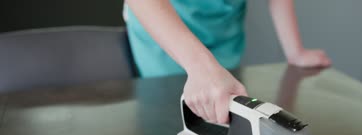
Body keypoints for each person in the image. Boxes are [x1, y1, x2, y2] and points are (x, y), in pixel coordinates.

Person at [124, 0, 331, 124]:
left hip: (224, 30)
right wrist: (201, 68)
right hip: (169, 29)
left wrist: (295, 51)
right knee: (171, 121)